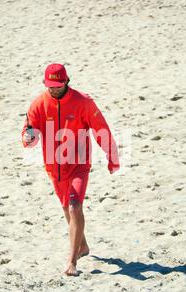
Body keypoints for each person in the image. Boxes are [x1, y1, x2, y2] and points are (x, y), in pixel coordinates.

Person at [21, 63, 120, 276]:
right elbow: (29, 136)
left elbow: (101, 129)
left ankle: (72, 261)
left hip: (79, 164)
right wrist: (28, 139)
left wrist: (112, 157)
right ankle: (82, 246)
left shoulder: (83, 102)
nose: (54, 89)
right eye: (50, 85)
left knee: (75, 206)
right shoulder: (38, 105)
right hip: (54, 167)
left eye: (58, 85)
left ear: (67, 81)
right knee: (67, 208)